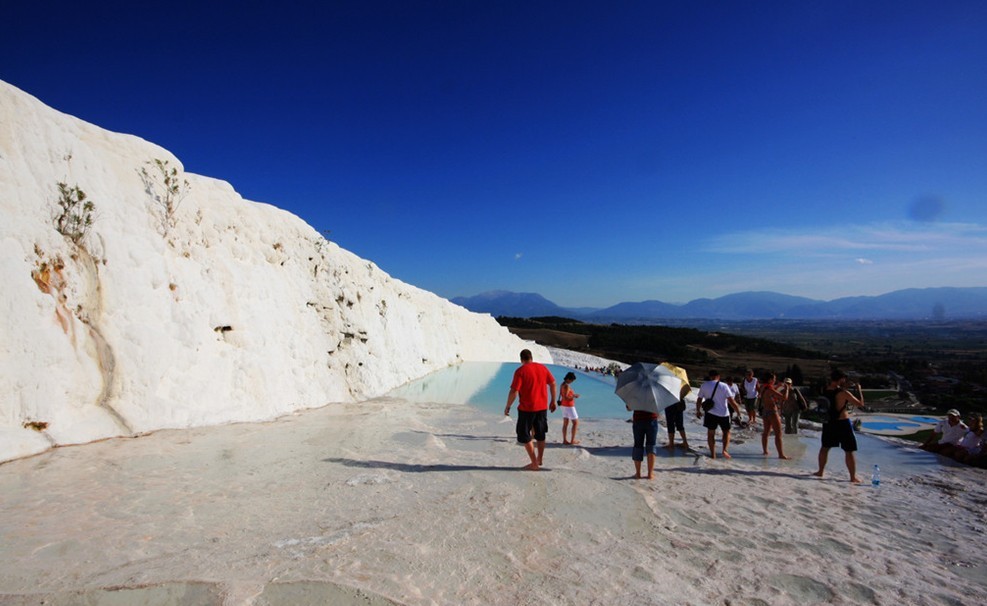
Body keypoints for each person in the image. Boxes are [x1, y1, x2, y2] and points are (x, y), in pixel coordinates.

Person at [504, 349, 557, 471]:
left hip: (527, 409)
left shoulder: (520, 371)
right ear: (531, 358)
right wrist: (553, 401)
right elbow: (553, 383)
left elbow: (514, 391)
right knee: (540, 434)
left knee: (524, 434)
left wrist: (508, 406)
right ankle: (539, 459)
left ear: (521, 359)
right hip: (542, 407)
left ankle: (534, 463)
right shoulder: (542, 368)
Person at [812, 370, 865, 483]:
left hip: (828, 422)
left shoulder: (824, 390)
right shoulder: (843, 393)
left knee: (825, 447)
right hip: (842, 422)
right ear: (841, 379)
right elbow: (860, 404)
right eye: (844, 379)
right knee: (849, 450)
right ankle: (852, 477)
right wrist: (859, 390)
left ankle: (820, 471)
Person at [695, 370, 740, 460]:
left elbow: (699, 400)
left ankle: (713, 454)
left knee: (711, 434)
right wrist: (738, 412)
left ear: (710, 376)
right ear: (718, 376)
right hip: (724, 414)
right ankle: (724, 450)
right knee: (726, 432)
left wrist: (698, 411)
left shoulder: (704, 385)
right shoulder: (724, 386)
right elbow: (731, 401)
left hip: (710, 413)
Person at [758, 373, 791, 460]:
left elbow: (770, 391)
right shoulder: (770, 389)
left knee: (766, 432)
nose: (775, 381)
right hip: (772, 412)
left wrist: (776, 386)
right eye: (774, 379)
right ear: (770, 380)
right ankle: (781, 454)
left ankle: (765, 450)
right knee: (778, 433)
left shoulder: (762, 387)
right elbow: (784, 398)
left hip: (765, 411)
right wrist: (787, 389)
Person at [631, 406, 659, 479]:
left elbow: (629, 408)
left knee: (638, 445)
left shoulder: (635, 394)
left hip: (638, 419)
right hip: (652, 419)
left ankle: (638, 473)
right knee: (651, 445)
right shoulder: (654, 394)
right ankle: (650, 473)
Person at [664, 382, 692, 452]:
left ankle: (671, 444)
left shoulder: (668, 382)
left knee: (670, 424)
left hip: (670, 403)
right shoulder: (681, 382)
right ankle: (685, 442)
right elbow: (687, 389)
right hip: (679, 404)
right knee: (680, 424)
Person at [558, 371, 581, 445]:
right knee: (575, 423)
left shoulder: (562, 384)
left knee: (565, 423)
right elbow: (566, 397)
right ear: (568, 379)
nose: (572, 382)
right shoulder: (567, 386)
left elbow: (563, 395)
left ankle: (565, 440)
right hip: (569, 405)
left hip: (563, 405)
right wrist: (574, 396)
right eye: (572, 380)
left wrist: (572, 394)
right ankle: (572, 440)